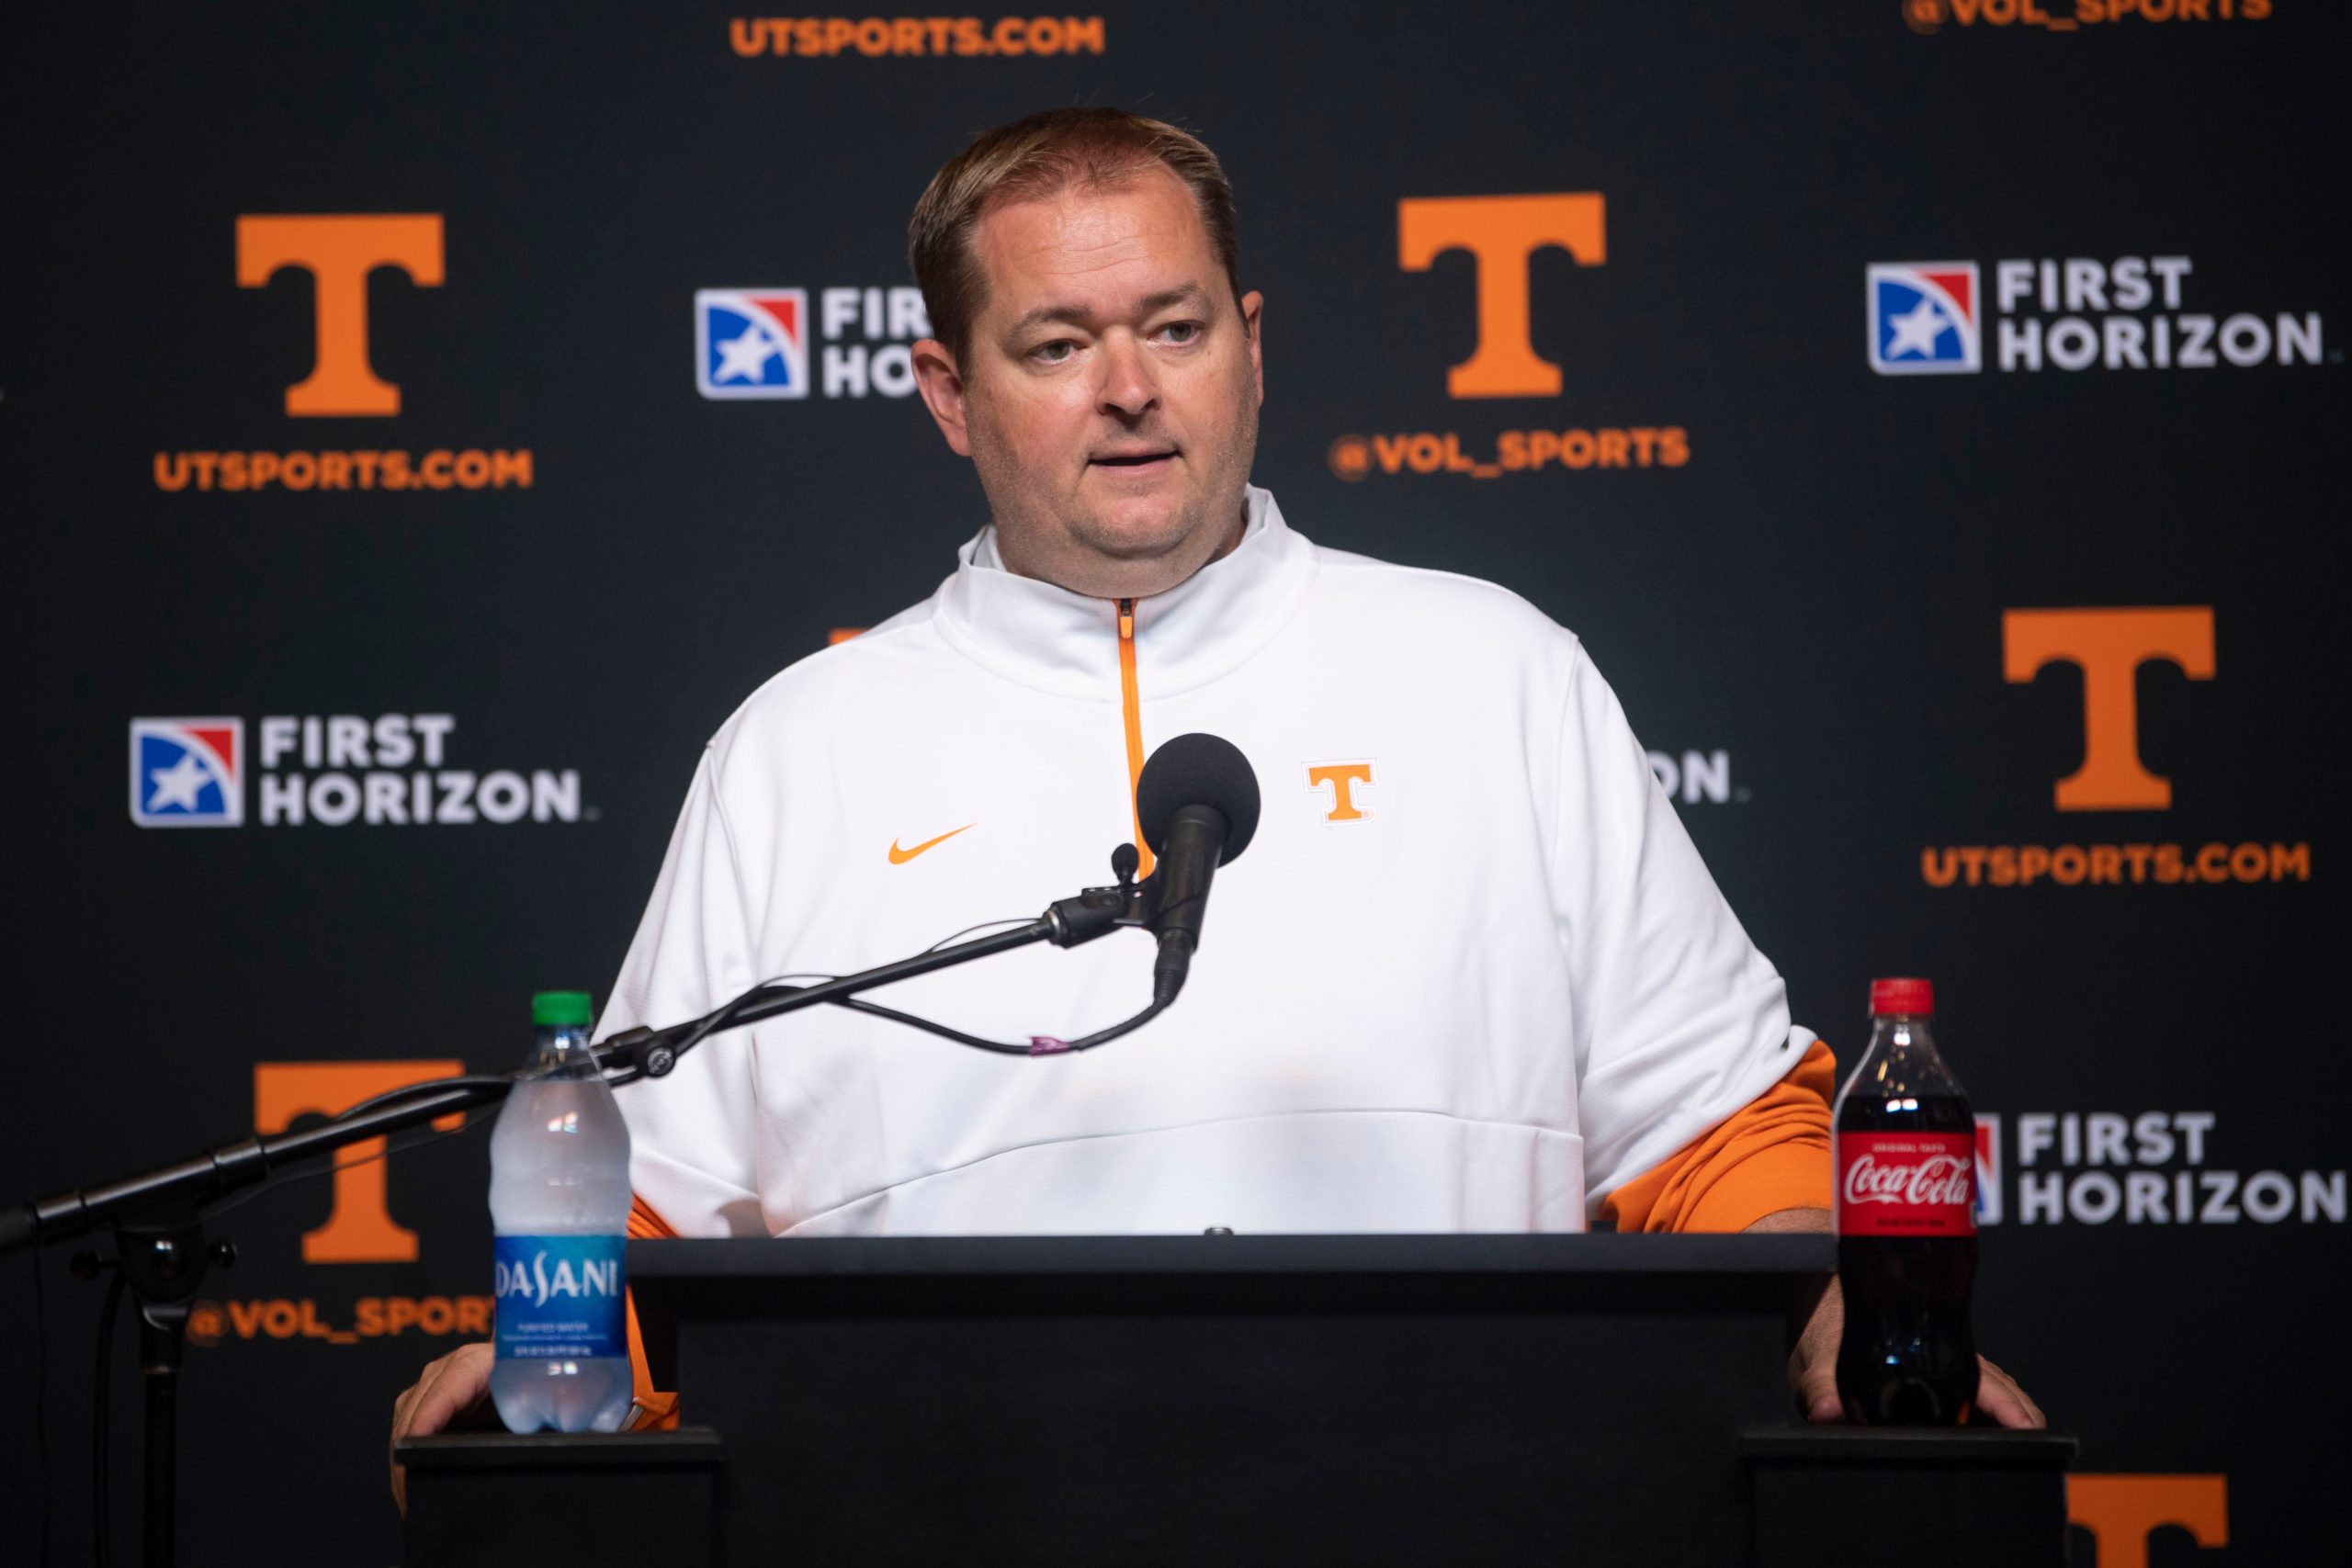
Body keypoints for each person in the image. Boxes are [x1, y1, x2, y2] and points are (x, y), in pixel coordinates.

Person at [391, 107, 2041, 1483]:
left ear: (1252, 349)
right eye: (1056, 344)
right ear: (948, 392)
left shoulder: (1493, 670)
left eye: (1175, 328)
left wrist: (1847, 1311)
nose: (1130, 387)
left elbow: (1718, 1131)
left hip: (1473, 1515)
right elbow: (648, 1212)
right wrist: (544, 1367)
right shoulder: (799, 745)